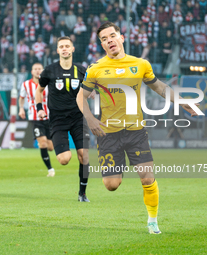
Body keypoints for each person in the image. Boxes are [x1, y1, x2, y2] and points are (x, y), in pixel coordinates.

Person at [76, 22, 199, 232]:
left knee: (148, 178)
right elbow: (81, 96)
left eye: (112, 36)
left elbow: (159, 87)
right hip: (108, 133)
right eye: (104, 39)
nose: (109, 40)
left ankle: (152, 221)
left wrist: (180, 101)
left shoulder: (141, 64)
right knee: (111, 185)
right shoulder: (95, 69)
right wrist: (90, 119)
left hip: (136, 131)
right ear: (102, 45)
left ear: (121, 38)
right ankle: (120, 166)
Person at [35, 36, 91, 202]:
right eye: (62, 46)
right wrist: (39, 109)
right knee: (64, 159)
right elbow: (39, 91)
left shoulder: (81, 70)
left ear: (72, 49)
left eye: (68, 46)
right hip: (58, 120)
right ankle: (62, 152)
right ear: (58, 50)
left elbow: (88, 90)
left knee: (84, 155)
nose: (65, 49)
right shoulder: (49, 71)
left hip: (78, 118)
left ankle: (82, 193)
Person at [19, 63, 55, 177]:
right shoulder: (25, 84)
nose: (37, 71)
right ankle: (50, 169)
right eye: (35, 69)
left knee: (50, 147)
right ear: (32, 71)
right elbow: (21, 97)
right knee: (42, 142)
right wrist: (21, 109)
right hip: (34, 118)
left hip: (48, 117)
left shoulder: (48, 84)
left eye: (40, 69)